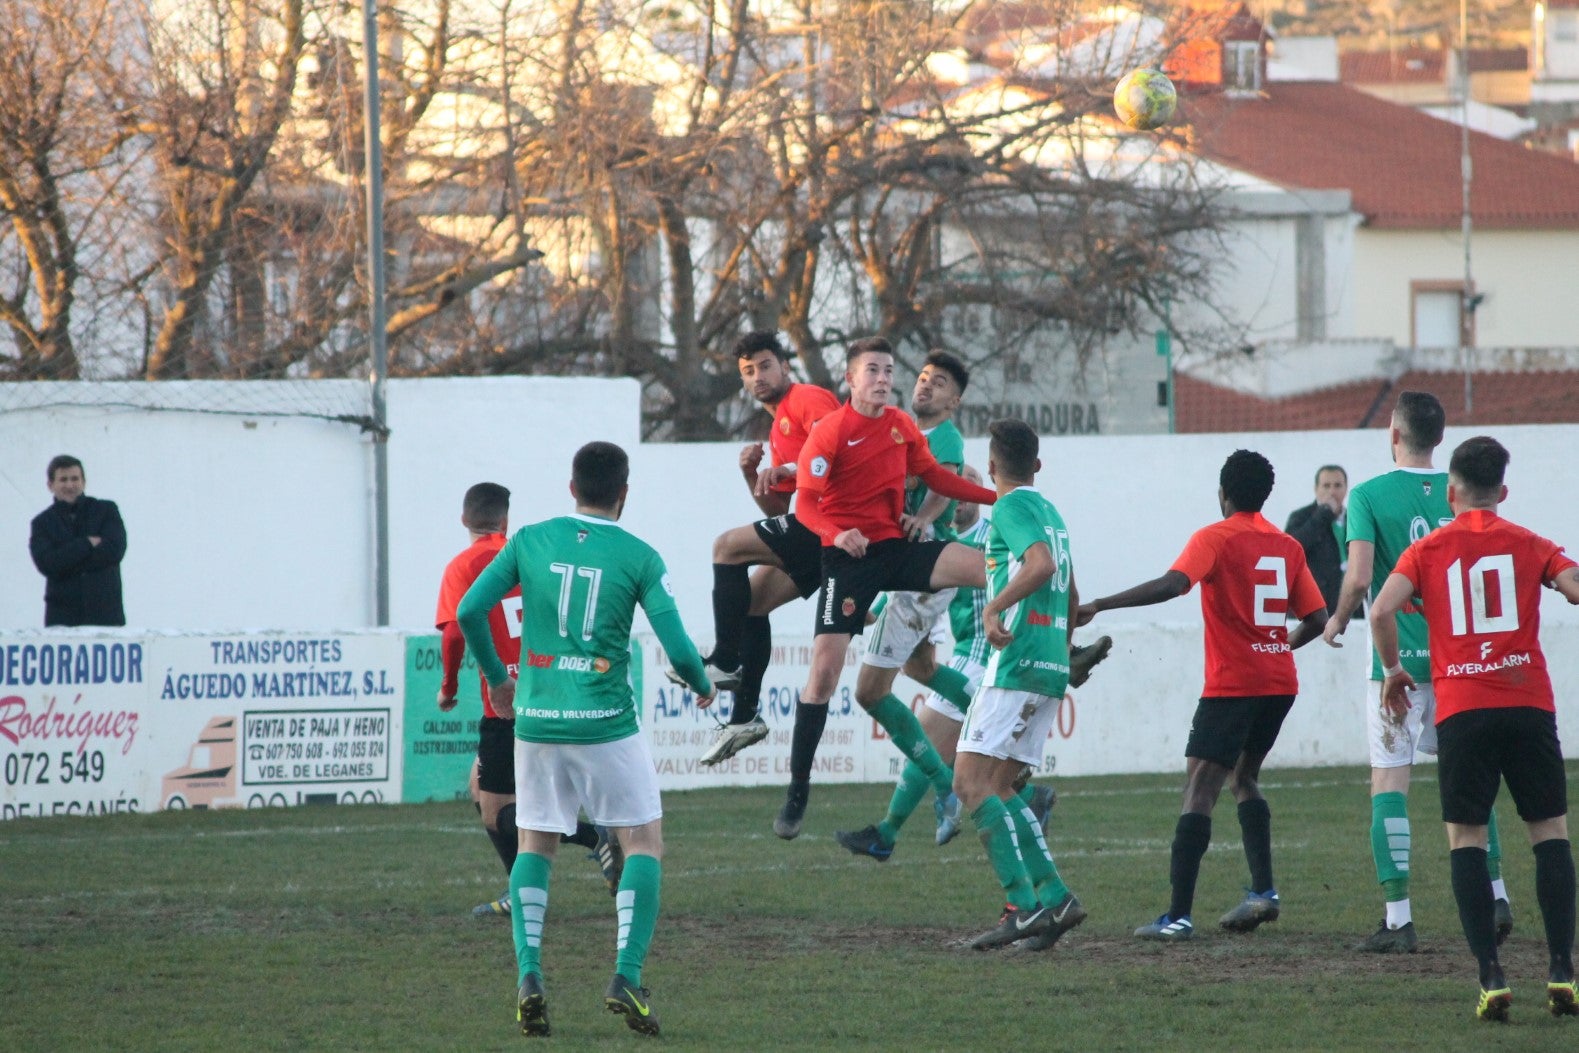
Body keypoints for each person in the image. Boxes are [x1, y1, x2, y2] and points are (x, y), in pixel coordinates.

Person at [458, 442, 714, 1038]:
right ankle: (625, 975)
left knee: (535, 844)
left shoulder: (528, 540)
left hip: (537, 719)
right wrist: (702, 684)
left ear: (571, 487)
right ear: (624, 493)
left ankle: (529, 976)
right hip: (605, 722)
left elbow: (473, 610)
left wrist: (499, 680)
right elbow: (677, 649)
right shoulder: (640, 556)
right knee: (643, 839)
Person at [1369, 436, 1579, 1022]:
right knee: (1550, 834)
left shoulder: (1428, 549)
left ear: (1452, 492)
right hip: (1526, 703)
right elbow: (1574, 585)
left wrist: (1392, 673)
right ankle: (1562, 968)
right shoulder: (1530, 542)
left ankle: (1491, 977)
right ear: (1503, 493)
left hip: (1462, 709)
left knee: (1466, 839)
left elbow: (1382, 609)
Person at [1078, 449, 1327, 941]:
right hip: (1279, 683)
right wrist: (1278, 648)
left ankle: (1178, 916)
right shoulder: (1287, 545)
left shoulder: (1214, 537)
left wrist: (1102, 604)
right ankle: (1264, 892)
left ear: (1223, 493)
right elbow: (1317, 619)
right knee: (1244, 778)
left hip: (1234, 685)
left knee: (1199, 788)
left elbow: (1175, 584)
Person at [774, 336, 999, 839]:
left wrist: (1000, 496)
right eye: (871, 370)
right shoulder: (830, 432)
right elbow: (807, 507)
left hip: (895, 550)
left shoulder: (900, 427)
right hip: (847, 559)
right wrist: (839, 533)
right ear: (851, 380)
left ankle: (1059, 647)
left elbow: (940, 477)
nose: (883, 378)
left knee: (991, 567)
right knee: (824, 677)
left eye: (888, 370)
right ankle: (797, 790)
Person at [1323, 392, 1513, 953]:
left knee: (1389, 782)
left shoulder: (1367, 495)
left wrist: (1336, 619)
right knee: (1471, 784)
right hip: (1458, 663)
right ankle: (1498, 893)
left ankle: (1399, 919)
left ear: (1393, 433)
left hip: (1397, 669)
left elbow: (1360, 579)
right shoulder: (1459, 495)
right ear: (1439, 436)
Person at [434, 482, 618, 919]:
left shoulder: (463, 565)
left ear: (464, 520)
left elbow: (457, 631)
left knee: (497, 811)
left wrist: (449, 687)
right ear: (504, 521)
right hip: (552, 691)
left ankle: (588, 843)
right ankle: (523, 889)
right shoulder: (532, 555)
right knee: (479, 786)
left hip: (505, 706)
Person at [951, 420, 1090, 952]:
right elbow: (1070, 592)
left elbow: (1041, 565)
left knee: (970, 783)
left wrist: (993, 606)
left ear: (990, 468)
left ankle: (1022, 908)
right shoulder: (1050, 512)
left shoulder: (1008, 509)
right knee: (1003, 784)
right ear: (1038, 465)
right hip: (1049, 664)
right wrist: (1061, 644)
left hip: (1015, 664)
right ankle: (1054, 897)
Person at [671, 331, 840, 767]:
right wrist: (753, 475)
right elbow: (779, 509)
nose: (758, 376)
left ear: (785, 366)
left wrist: (785, 466)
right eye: (748, 371)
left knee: (726, 547)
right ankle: (745, 717)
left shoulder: (807, 398)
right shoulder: (778, 427)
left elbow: (837, 453)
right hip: (812, 530)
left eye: (765, 365)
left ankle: (725, 660)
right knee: (749, 604)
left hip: (836, 526)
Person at [28, 455, 127, 626]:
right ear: (50, 485)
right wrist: (86, 544)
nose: (70, 485)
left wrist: (65, 558)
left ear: (84, 481)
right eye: (63, 480)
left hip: (106, 617)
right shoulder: (42, 523)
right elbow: (48, 564)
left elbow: (115, 551)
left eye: (75, 478)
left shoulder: (106, 510)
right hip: (62, 620)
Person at [1284, 464, 1349, 613]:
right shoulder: (1300, 517)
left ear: (1346, 488)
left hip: (1347, 607)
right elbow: (1291, 549)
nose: (1332, 492)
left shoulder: (1354, 518)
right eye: (1326, 486)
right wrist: (1323, 515)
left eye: (1338, 485)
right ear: (1316, 489)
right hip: (1312, 607)